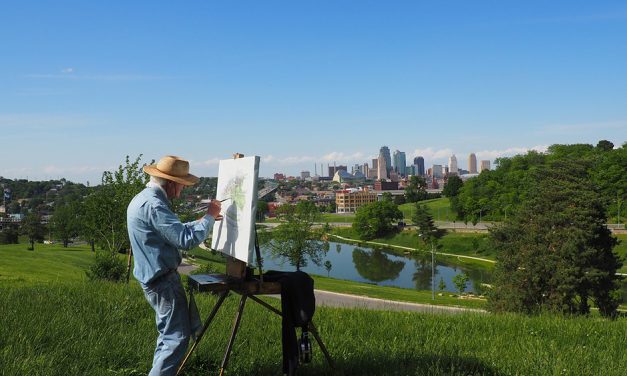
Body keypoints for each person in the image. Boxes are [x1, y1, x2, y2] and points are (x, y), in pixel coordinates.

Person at [127, 155, 222, 376]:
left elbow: (169, 230)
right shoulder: (155, 205)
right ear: (171, 183)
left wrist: (200, 222)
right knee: (176, 339)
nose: (182, 190)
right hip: (162, 282)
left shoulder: (143, 199)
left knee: (168, 336)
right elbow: (184, 241)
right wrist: (209, 217)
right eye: (182, 185)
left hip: (153, 278)